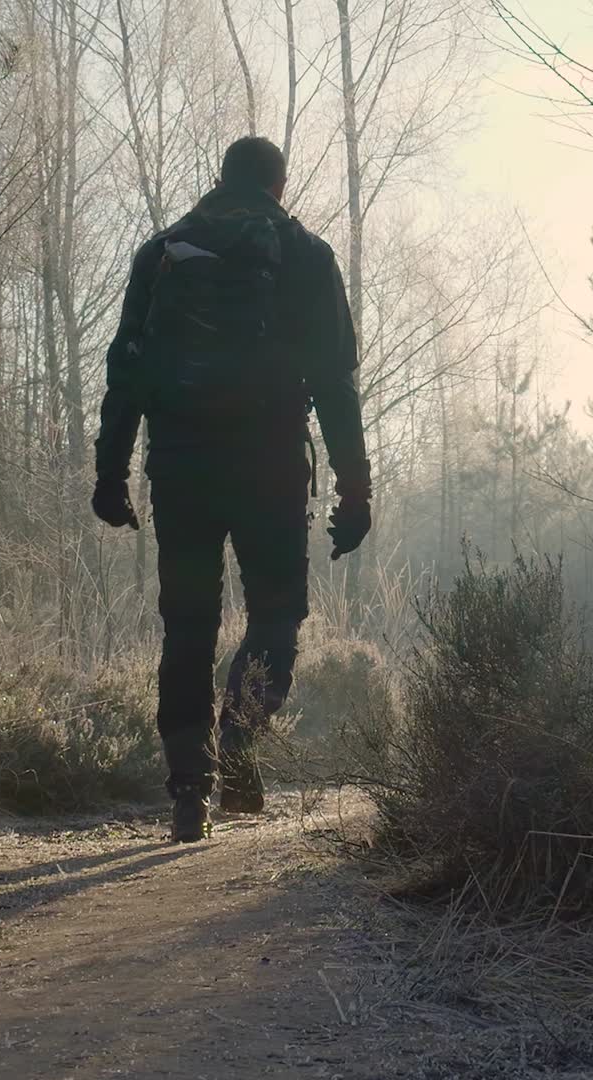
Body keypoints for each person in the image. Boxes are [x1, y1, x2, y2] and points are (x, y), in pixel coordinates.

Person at [93, 137, 371, 842]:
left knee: (189, 622)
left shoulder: (162, 251)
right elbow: (336, 382)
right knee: (277, 615)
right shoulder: (305, 254)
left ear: (221, 178)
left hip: (181, 467)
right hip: (271, 463)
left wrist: (110, 470)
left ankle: (191, 787)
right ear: (280, 184)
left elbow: (125, 368)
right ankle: (241, 740)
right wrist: (355, 489)